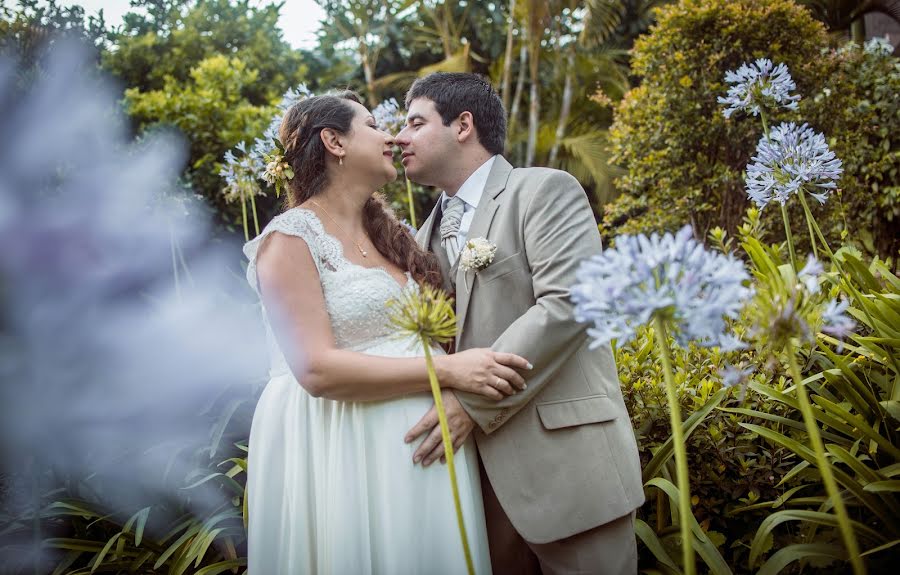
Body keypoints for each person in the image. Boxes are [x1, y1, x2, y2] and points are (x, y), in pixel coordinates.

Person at [243, 90, 530, 574]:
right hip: (347, 451)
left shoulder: (395, 238)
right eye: (374, 125)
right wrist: (449, 369)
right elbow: (314, 368)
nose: (392, 137)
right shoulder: (289, 239)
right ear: (334, 141)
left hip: (426, 453)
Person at [396, 73, 645, 575]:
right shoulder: (415, 240)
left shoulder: (543, 191)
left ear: (463, 124)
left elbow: (568, 304)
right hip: (472, 490)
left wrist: (470, 400)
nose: (400, 136)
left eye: (415, 122)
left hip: (568, 469)